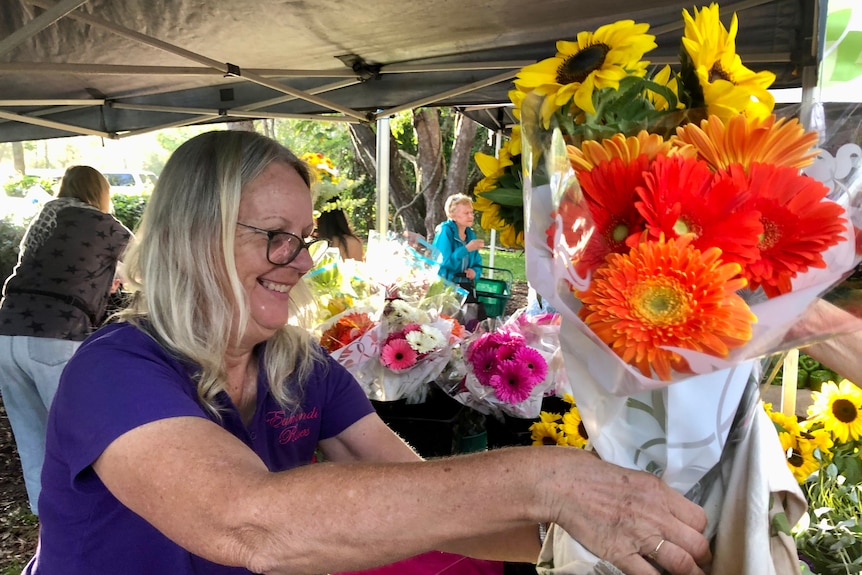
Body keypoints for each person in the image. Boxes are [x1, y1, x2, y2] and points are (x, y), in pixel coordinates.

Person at [24, 130, 711, 575]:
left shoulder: (296, 366)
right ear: (193, 234)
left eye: (304, 237)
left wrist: (600, 544)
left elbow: (423, 500)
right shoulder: (115, 368)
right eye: (275, 236)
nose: (298, 262)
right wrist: (546, 480)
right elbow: (247, 521)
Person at [0, 165, 132, 515]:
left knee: (33, 441)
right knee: (80, 433)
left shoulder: (45, 218)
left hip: (7, 329)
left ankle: (49, 523)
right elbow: (146, 270)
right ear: (101, 192)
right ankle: (92, 516)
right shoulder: (106, 226)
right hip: (57, 333)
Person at [433, 194, 484, 284]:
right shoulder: (445, 231)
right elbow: (444, 262)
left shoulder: (470, 234)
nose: (471, 216)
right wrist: (466, 249)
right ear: (453, 215)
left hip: (466, 285)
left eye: (471, 212)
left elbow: (477, 262)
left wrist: (475, 272)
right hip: (445, 285)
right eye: (466, 213)